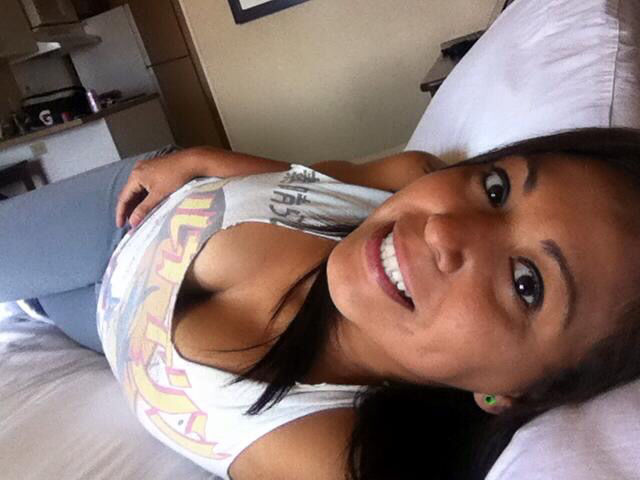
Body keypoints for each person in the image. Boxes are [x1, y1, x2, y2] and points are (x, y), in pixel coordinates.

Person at [2, 126, 640, 480]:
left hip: (107, 325)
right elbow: (309, 180)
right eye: (497, 189)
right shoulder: (407, 179)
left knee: (30, 303)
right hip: (131, 203)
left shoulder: (323, 453)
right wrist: (201, 159)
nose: (445, 229)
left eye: (527, 283)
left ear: (516, 395)